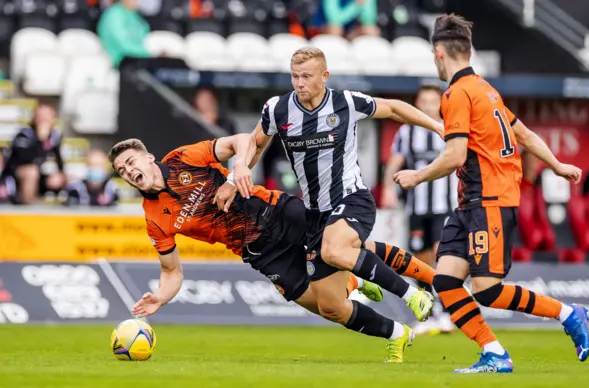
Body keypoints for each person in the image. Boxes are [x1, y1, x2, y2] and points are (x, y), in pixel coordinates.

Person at [109, 135, 439, 363]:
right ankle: (397, 331)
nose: (129, 171)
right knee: (330, 308)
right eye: (122, 171)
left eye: (130, 162)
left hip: (278, 212)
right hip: (260, 252)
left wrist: (236, 172)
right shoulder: (154, 218)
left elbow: (242, 140)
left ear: (148, 157)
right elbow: (171, 271)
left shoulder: (184, 158)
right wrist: (161, 297)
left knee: (345, 247)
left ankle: (426, 286)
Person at [393, 14, 589, 373]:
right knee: (446, 281)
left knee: (486, 289)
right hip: (469, 204)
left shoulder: (456, 94)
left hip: (490, 202)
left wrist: (417, 176)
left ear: (439, 52)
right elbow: (526, 136)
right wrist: (558, 164)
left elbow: (454, 156)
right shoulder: (487, 90)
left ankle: (567, 313)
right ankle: (494, 353)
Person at [228, 47, 443, 362]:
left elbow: (395, 109)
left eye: (306, 77)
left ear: (324, 76)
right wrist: (241, 168)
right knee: (330, 305)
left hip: (352, 199)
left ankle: (413, 295)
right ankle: (398, 334)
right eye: (295, 76)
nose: (299, 83)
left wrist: (436, 126)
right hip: (316, 215)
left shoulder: (346, 103)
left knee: (333, 250)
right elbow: (256, 142)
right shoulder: (278, 109)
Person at [382, 84, 457, 335]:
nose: (426, 105)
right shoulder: (407, 132)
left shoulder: (451, 129)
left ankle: (447, 313)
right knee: (421, 263)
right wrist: (388, 189)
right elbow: (395, 161)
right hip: (417, 208)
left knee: (442, 256)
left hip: (445, 207)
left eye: (431, 101)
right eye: (422, 101)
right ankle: (428, 313)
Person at [0, 102, 65, 204]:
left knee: (62, 177)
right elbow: (25, 159)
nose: (44, 120)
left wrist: (59, 174)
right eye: (41, 117)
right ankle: (27, 207)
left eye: (47, 117)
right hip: (16, 176)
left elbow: (59, 160)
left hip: (40, 174)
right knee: (31, 172)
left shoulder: (55, 136)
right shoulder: (24, 134)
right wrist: (40, 141)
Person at [97, 0, 152, 68]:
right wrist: (150, 53)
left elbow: (145, 35)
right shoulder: (114, 16)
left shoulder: (133, 14)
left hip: (139, 60)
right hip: (120, 63)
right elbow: (123, 45)